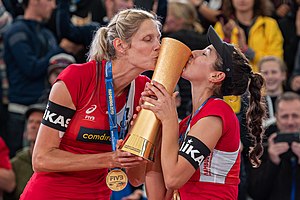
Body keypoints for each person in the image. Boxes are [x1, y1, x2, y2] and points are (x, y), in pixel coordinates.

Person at [20, 8, 161, 200]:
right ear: (121, 45)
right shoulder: (78, 77)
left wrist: (142, 135)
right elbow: (41, 159)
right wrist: (109, 159)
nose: (158, 46)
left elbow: (135, 179)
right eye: (148, 39)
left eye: (159, 39)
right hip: (50, 193)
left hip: (99, 194)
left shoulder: (145, 89)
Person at [141, 26, 266, 199]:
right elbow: (159, 196)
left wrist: (169, 120)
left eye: (205, 53)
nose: (194, 52)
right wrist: (152, 127)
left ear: (216, 76)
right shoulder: (188, 123)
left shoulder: (218, 113)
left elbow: (173, 179)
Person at [3, 0, 82, 158]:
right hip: (21, 112)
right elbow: (30, 68)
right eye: (50, 0)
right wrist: (61, 49)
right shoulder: (16, 31)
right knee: (22, 164)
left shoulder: (47, 34)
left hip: (47, 110)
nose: (53, 6)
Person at [248, 91, 300, 200]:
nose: (290, 122)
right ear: (277, 118)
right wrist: (272, 163)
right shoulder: (261, 151)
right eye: (285, 116)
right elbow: (255, 194)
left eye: (295, 116)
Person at [4, 104, 45, 200]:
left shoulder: (56, 163)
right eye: (30, 122)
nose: (33, 126)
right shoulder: (16, 163)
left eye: (39, 122)